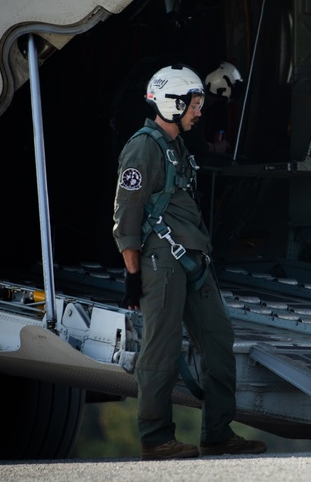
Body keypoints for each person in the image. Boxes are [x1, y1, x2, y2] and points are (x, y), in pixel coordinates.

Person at [112, 64, 267, 460]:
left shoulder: (177, 145)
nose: (199, 111)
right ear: (172, 103)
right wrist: (133, 275)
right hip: (160, 263)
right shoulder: (143, 147)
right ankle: (155, 438)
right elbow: (127, 216)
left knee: (218, 340)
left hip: (193, 260)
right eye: (194, 104)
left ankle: (217, 432)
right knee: (159, 351)